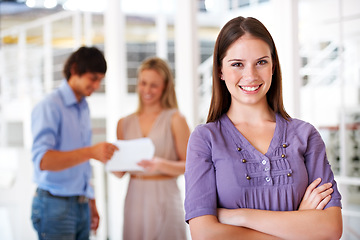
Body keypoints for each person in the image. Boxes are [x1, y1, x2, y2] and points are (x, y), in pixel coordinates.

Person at [184, 16, 343, 240]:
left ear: (273, 66)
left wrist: (240, 216)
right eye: (237, 64)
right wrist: (299, 224)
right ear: (220, 70)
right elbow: (204, 234)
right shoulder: (205, 139)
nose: (250, 75)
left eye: (261, 62)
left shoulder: (306, 135)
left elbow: (331, 228)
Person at [30, 46, 118, 240]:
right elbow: (43, 161)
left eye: (100, 80)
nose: (96, 86)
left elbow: (81, 165)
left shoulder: (83, 107)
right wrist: (91, 152)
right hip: (54, 206)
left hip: (81, 204)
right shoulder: (50, 106)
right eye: (93, 78)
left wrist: (91, 201)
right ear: (75, 69)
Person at [113, 57, 190, 240]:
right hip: (135, 197)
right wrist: (107, 158)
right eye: (143, 83)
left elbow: (191, 165)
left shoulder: (176, 119)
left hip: (165, 194)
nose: (147, 90)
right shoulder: (124, 123)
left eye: (154, 85)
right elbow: (120, 172)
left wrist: (161, 165)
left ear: (165, 86)